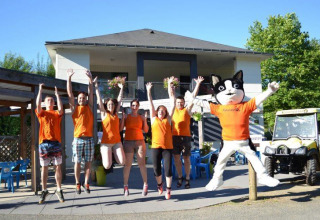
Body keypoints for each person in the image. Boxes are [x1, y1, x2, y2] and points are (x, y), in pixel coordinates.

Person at [170, 76, 204, 189]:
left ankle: (187, 178)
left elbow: (193, 97)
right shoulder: (173, 109)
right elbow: (171, 96)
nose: (179, 104)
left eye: (181, 102)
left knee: (186, 159)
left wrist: (198, 84)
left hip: (185, 137)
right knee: (176, 159)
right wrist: (170, 84)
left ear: (184, 103)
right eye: (178, 102)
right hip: (174, 137)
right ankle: (180, 177)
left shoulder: (187, 110)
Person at [146, 77, 175, 200]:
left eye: (163, 111)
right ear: (157, 112)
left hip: (167, 148)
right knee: (156, 169)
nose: (161, 112)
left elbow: (173, 102)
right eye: (159, 111)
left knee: (167, 169)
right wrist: (148, 91)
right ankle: (159, 184)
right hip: (156, 147)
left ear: (165, 112)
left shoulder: (168, 120)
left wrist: (169, 85)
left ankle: (168, 190)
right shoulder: (153, 119)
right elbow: (150, 104)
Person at [67, 68, 94, 194]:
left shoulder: (90, 107)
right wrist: (69, 78)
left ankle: (86, 182)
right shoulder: (74, 108)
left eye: (83, 98)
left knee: (88, 162)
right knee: (77, 162)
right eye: (80, 98)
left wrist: (89, 79)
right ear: (78, 99)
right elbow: (69, 94)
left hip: (89, 139)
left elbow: (91, 92)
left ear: (86, 99)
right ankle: (77, 183)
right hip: (77, 139)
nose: (81, 99)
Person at [36, 84, 64, 204]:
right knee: (44, 167)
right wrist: (40, 91)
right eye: (48, 100)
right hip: (44, 144)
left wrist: (57, 95)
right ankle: (44, 190)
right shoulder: (41, 113)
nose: (50, 102)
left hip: (56, 143)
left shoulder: (57, 114)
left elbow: (62, 109)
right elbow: (37, 105)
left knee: (58, 166)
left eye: (52, 100)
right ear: (44, 103)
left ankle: (58, 189)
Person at [93, 77, 126, 177]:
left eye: (112, 104)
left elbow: (119, 100)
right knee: (107, 166)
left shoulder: (115, 114)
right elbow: (99, 99)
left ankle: (112, 154)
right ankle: (107, 154)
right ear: (106, 106)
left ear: (114, 106)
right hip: (106, 143)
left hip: (117, 142)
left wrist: (121, 88)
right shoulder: (104, 114)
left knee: (122, 162)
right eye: (109, 104)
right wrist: (96, 86)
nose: (111, 106)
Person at [120, 99, 149, 196]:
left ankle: (145, 185)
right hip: (128, 142)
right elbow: (121, 128)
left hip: (140, 142)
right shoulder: (127, 117)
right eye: (133, 105)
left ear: (138, 106)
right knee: (127, 165)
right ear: (130, 106)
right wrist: (123, 119)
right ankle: (125, 186)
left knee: (142, 164)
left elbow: (146, 130)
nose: (134, 107)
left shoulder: (141, 117)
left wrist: (145, 120)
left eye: (136, 105)